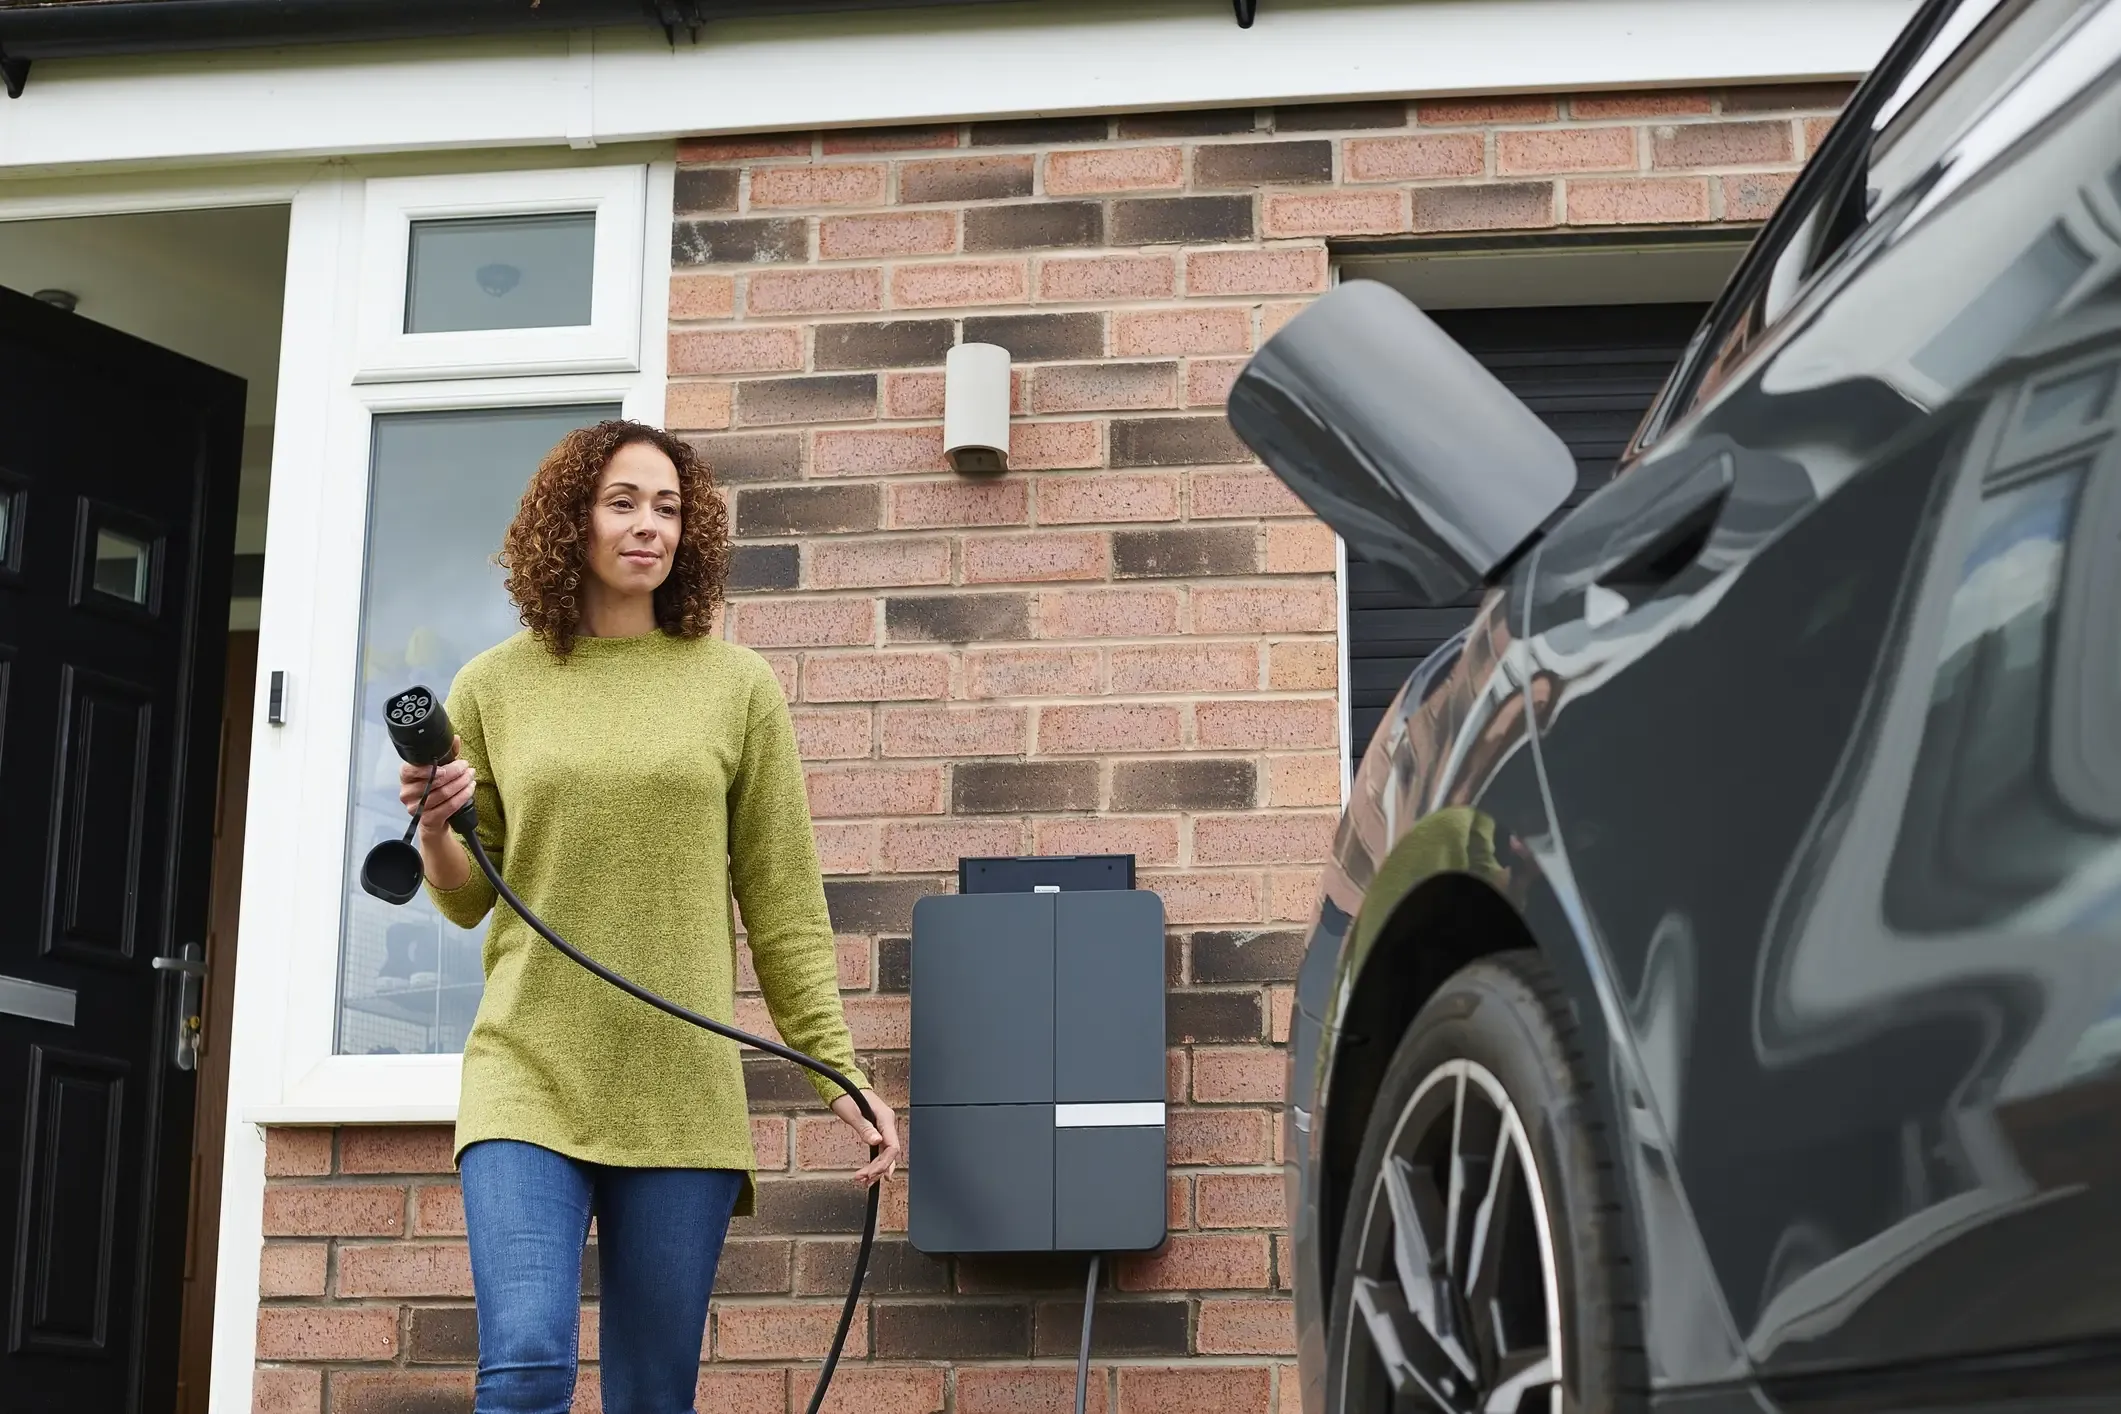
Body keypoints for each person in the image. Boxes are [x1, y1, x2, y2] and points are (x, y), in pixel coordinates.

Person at [399, 418, 902, 1413]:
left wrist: (834, 1068)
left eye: (668, 508)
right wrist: (431, 826)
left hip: (680, 1091)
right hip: (527, 1071)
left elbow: (784, 901)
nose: (648, 527)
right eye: (623, 502)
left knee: (651, 1394)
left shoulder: (735, 687)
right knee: (528, 1362)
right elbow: (465, 897)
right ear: (569, 521)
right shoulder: (492, 686)